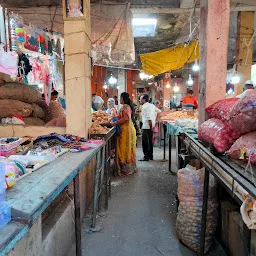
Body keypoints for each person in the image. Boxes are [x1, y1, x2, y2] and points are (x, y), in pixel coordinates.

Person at [111, 92, 137, 176]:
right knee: (126, 148)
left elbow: (126, 118)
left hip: (126, 131)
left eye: (120, 98)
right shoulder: (126, 106)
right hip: (128, 129)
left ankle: (125, 169)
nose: (119, 99)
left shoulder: (125, 106)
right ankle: (127, 168)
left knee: (124, 149)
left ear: (123, 98)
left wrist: (115, 123)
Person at [140, 94, 156, 161]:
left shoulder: (144, 106)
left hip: (147, 127)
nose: (139, 100)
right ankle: (150, 156)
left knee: (145, 142)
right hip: (150, 126)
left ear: (144, 99)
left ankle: (146, 157)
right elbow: (159, 111)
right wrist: (155, 120)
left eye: (140, 99)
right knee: (150, 142)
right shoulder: (152, 105)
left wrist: (150, 127)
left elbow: (149, 118)